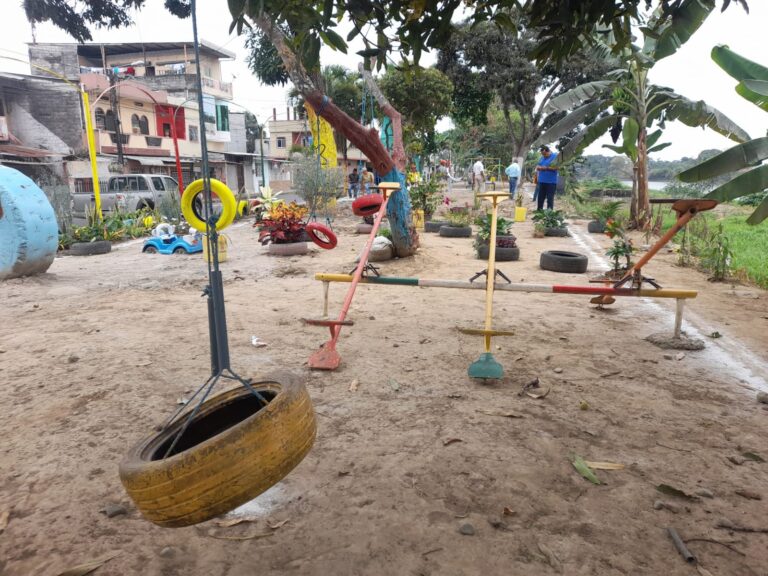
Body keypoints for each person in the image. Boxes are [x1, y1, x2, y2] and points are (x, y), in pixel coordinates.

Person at [535, 145, 559, 211]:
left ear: (548, 151)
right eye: (542, 154)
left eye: (545, 154)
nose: (544, 155)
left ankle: (549, 214)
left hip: (551, 182)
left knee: (550, 199)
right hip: (542, 181)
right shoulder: (542, 157)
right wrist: (538, 167)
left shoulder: (555, 157)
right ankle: (539, 212)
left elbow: (557, 167)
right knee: (540, 198)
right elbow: (538, 164)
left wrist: (546, 168)